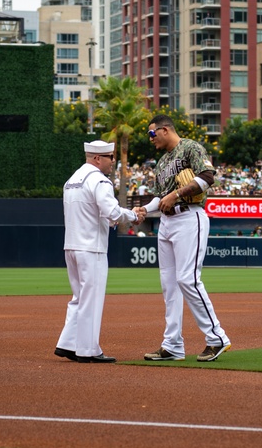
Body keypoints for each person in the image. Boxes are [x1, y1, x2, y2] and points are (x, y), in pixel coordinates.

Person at [142, 114, 231, 362]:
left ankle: (217, 338)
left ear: (164, 130)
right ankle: (172, 345)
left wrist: (177, 194)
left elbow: (208, 177)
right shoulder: (161, 163)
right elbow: (160, 199)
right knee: (169, 285)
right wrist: (144, 210)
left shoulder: (190, 147)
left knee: (188, 279)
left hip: (190, 217)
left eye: (152, 134)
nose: (150, 139)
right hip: (167, 222)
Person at [55, 140, 144, 364]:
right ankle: (88, 350)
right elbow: (111, 211)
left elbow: (95, 212)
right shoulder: (99, 180)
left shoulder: (71, 180)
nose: (113, 161)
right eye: (110, 157)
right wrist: (133, 215)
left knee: (78, 298)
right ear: (97, 158)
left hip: (72, 245)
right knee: (91, 299)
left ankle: (67, 344)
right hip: (91, 247)